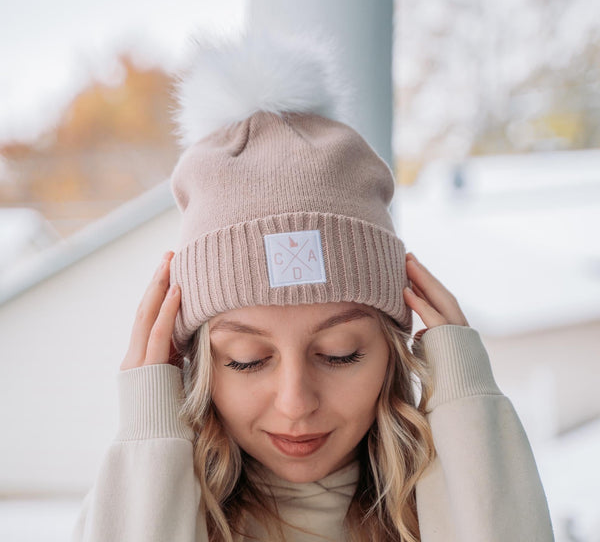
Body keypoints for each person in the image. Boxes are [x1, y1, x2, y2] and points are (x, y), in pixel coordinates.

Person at [72, 28, 555, 541]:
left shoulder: (441, 504)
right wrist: (148, 434)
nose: (296, 403)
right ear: (194, 364)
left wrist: (467, 406)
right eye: (246, 359)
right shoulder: (152, 502)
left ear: (393, 350)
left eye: (342, 353)